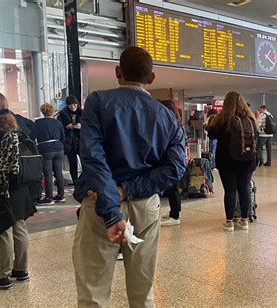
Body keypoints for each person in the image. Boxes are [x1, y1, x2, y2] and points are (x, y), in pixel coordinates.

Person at [72, 46, 186, 307]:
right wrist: (127, 189)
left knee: (93, 292)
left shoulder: (98, 101)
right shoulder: (167, 117)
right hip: (145, 204)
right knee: (142, 290)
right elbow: (176, 168)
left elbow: (92, 156)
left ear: (117, 72)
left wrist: (113, 206)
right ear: (152, 78)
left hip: (100, 201)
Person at [0, 91, 35, 290]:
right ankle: (21, 271)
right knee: (19, 227)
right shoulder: (17, 125)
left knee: (2, 229)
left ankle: (2, 276)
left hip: (0, 185)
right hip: (20, 185)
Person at [207, 91, 257, 231]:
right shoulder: (250, 119)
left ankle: (229, 222)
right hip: (247, 161)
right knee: (244, 189)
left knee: (230, 191)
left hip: (227, 161)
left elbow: (211, 135)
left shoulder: (223, 120)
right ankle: (244, 220)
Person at [30, 103, 66, 205]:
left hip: (46, 150)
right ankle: (61, 195)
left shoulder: (39, 122)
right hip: (59, 149)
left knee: (48, 174)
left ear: (42, 111)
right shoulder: (58, 123)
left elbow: (32, 137)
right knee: (59, 173)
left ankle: (49, 197)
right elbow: (63, 138)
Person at [159, 99, 187, 227]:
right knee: (173, 188)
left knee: (173, 188)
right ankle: (175, 212)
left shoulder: (171, 126)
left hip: (173, 161)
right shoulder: (177, 125)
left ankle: (175, 215)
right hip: (177, 160)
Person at [57, 95, 82, 185]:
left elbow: (89, 126)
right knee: (72, 163)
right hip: (69, 143)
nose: (73, 107)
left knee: (85, 162)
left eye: (74, 105)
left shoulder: (82, 113)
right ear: (67, 105)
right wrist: (67, 127)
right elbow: (59, 130)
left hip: (80, 141)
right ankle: (75, 181)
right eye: (70, 105)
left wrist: (81, 126)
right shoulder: (62, 114)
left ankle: (84, 181)